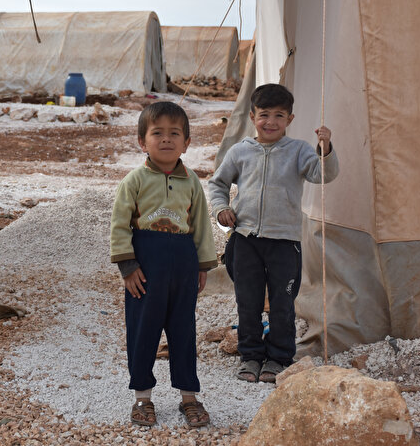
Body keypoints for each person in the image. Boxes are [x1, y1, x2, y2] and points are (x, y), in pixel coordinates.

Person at [207, 83, 339, 383]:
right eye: (264, 114)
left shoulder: (299, 151)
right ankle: (251, 356)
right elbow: (217, 184)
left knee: (282, 303)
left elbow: (324, 175)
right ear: (253, 116)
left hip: (284, 242)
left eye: (279, 116)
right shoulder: (240, 151)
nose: (271, 122)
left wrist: (326, 148)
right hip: (246, 240)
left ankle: (279, 358)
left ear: (290, 120)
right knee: (248, 301)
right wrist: (220, 209)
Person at [110, 101, 217, 428]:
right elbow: (119, 225)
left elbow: (201, 225)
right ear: (143, 142)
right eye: (158, 133)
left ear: (187, 143)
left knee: (184, 331)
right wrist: (128, 267)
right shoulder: (135, 181)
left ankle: (189, 396)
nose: (167, 139)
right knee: (143, 331)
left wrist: (201, 265)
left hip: (183, 263)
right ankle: (142, 397)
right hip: (146, 265)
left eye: (175, 133)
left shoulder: (192, 183)